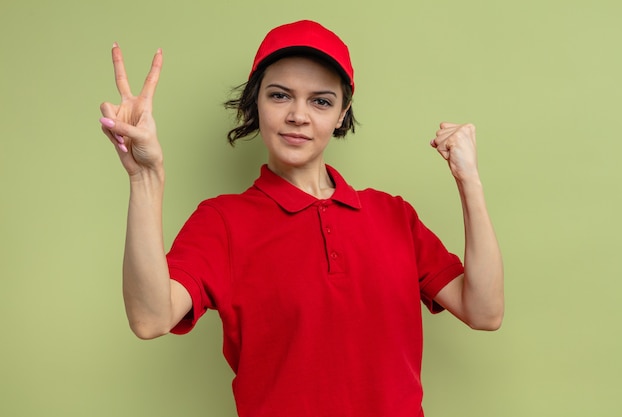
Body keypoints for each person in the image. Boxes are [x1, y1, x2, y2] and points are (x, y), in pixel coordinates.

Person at [99, 20, 503, 417]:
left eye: (321, 101)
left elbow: (484, 311)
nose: (298, 115)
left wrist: (469, 181)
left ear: (342, 113)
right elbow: (150, 318)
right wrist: (145, 178)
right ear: (255, 102)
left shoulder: (393, 214)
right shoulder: (222, 221)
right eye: (279, 96)